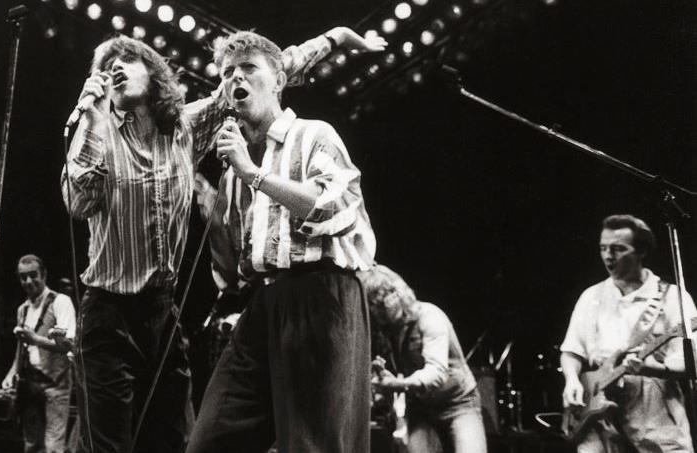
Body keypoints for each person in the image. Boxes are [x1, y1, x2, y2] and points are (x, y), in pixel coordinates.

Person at [61, 28, 386, 453]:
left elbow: (274, 67)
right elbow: (77, 201)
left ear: (155, 74)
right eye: (106, 66)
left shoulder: (192, 128)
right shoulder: (101, 133)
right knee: (152, 443)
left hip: (192, 307)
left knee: (189, 439)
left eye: (126, 59)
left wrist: (338, 37)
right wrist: (92, 120)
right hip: (113, 309)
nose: (114, 68)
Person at [185, 30, 377, 453]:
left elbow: (338, 204)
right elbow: (230, 266)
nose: (237, 77)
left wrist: (254, 174)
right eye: (228, 72)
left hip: (321, 295)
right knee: (210, 441)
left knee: (314, 444)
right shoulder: (233, 163)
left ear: (277, 80)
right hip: (263, 303)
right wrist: (211, 208)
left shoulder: (312, 134)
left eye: (249, 68)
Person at [560, 214, 695, 453]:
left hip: (653, 407)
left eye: (618, 249)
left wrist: (656, 368)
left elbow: (691, 361)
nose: (608, 256)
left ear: (641, 252)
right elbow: (571, 351)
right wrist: (571, 379)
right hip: (598, 411)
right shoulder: (592, 296)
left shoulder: (673, 297)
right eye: (603, 248)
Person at [357, 264, 487, 453]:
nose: (374, 314)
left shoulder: (430, 317)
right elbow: (396, 376)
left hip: (458, 404)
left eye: (375, 305)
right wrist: (384, 377)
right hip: (421, 408)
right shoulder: (387, 330)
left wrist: (397, 384)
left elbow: (437, 372)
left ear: (392, 297)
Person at [2, 254, 76, 453]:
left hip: (56, 384)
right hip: (30, 384)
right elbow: (22, 348)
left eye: (33, 275)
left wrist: (36, 339)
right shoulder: (22, 309)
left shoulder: (61, 302)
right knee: (32, 445)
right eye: (22, 277)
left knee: (53, 447)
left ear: (44, 274)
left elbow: (69, 344)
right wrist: (11, 374)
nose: (28, 281)